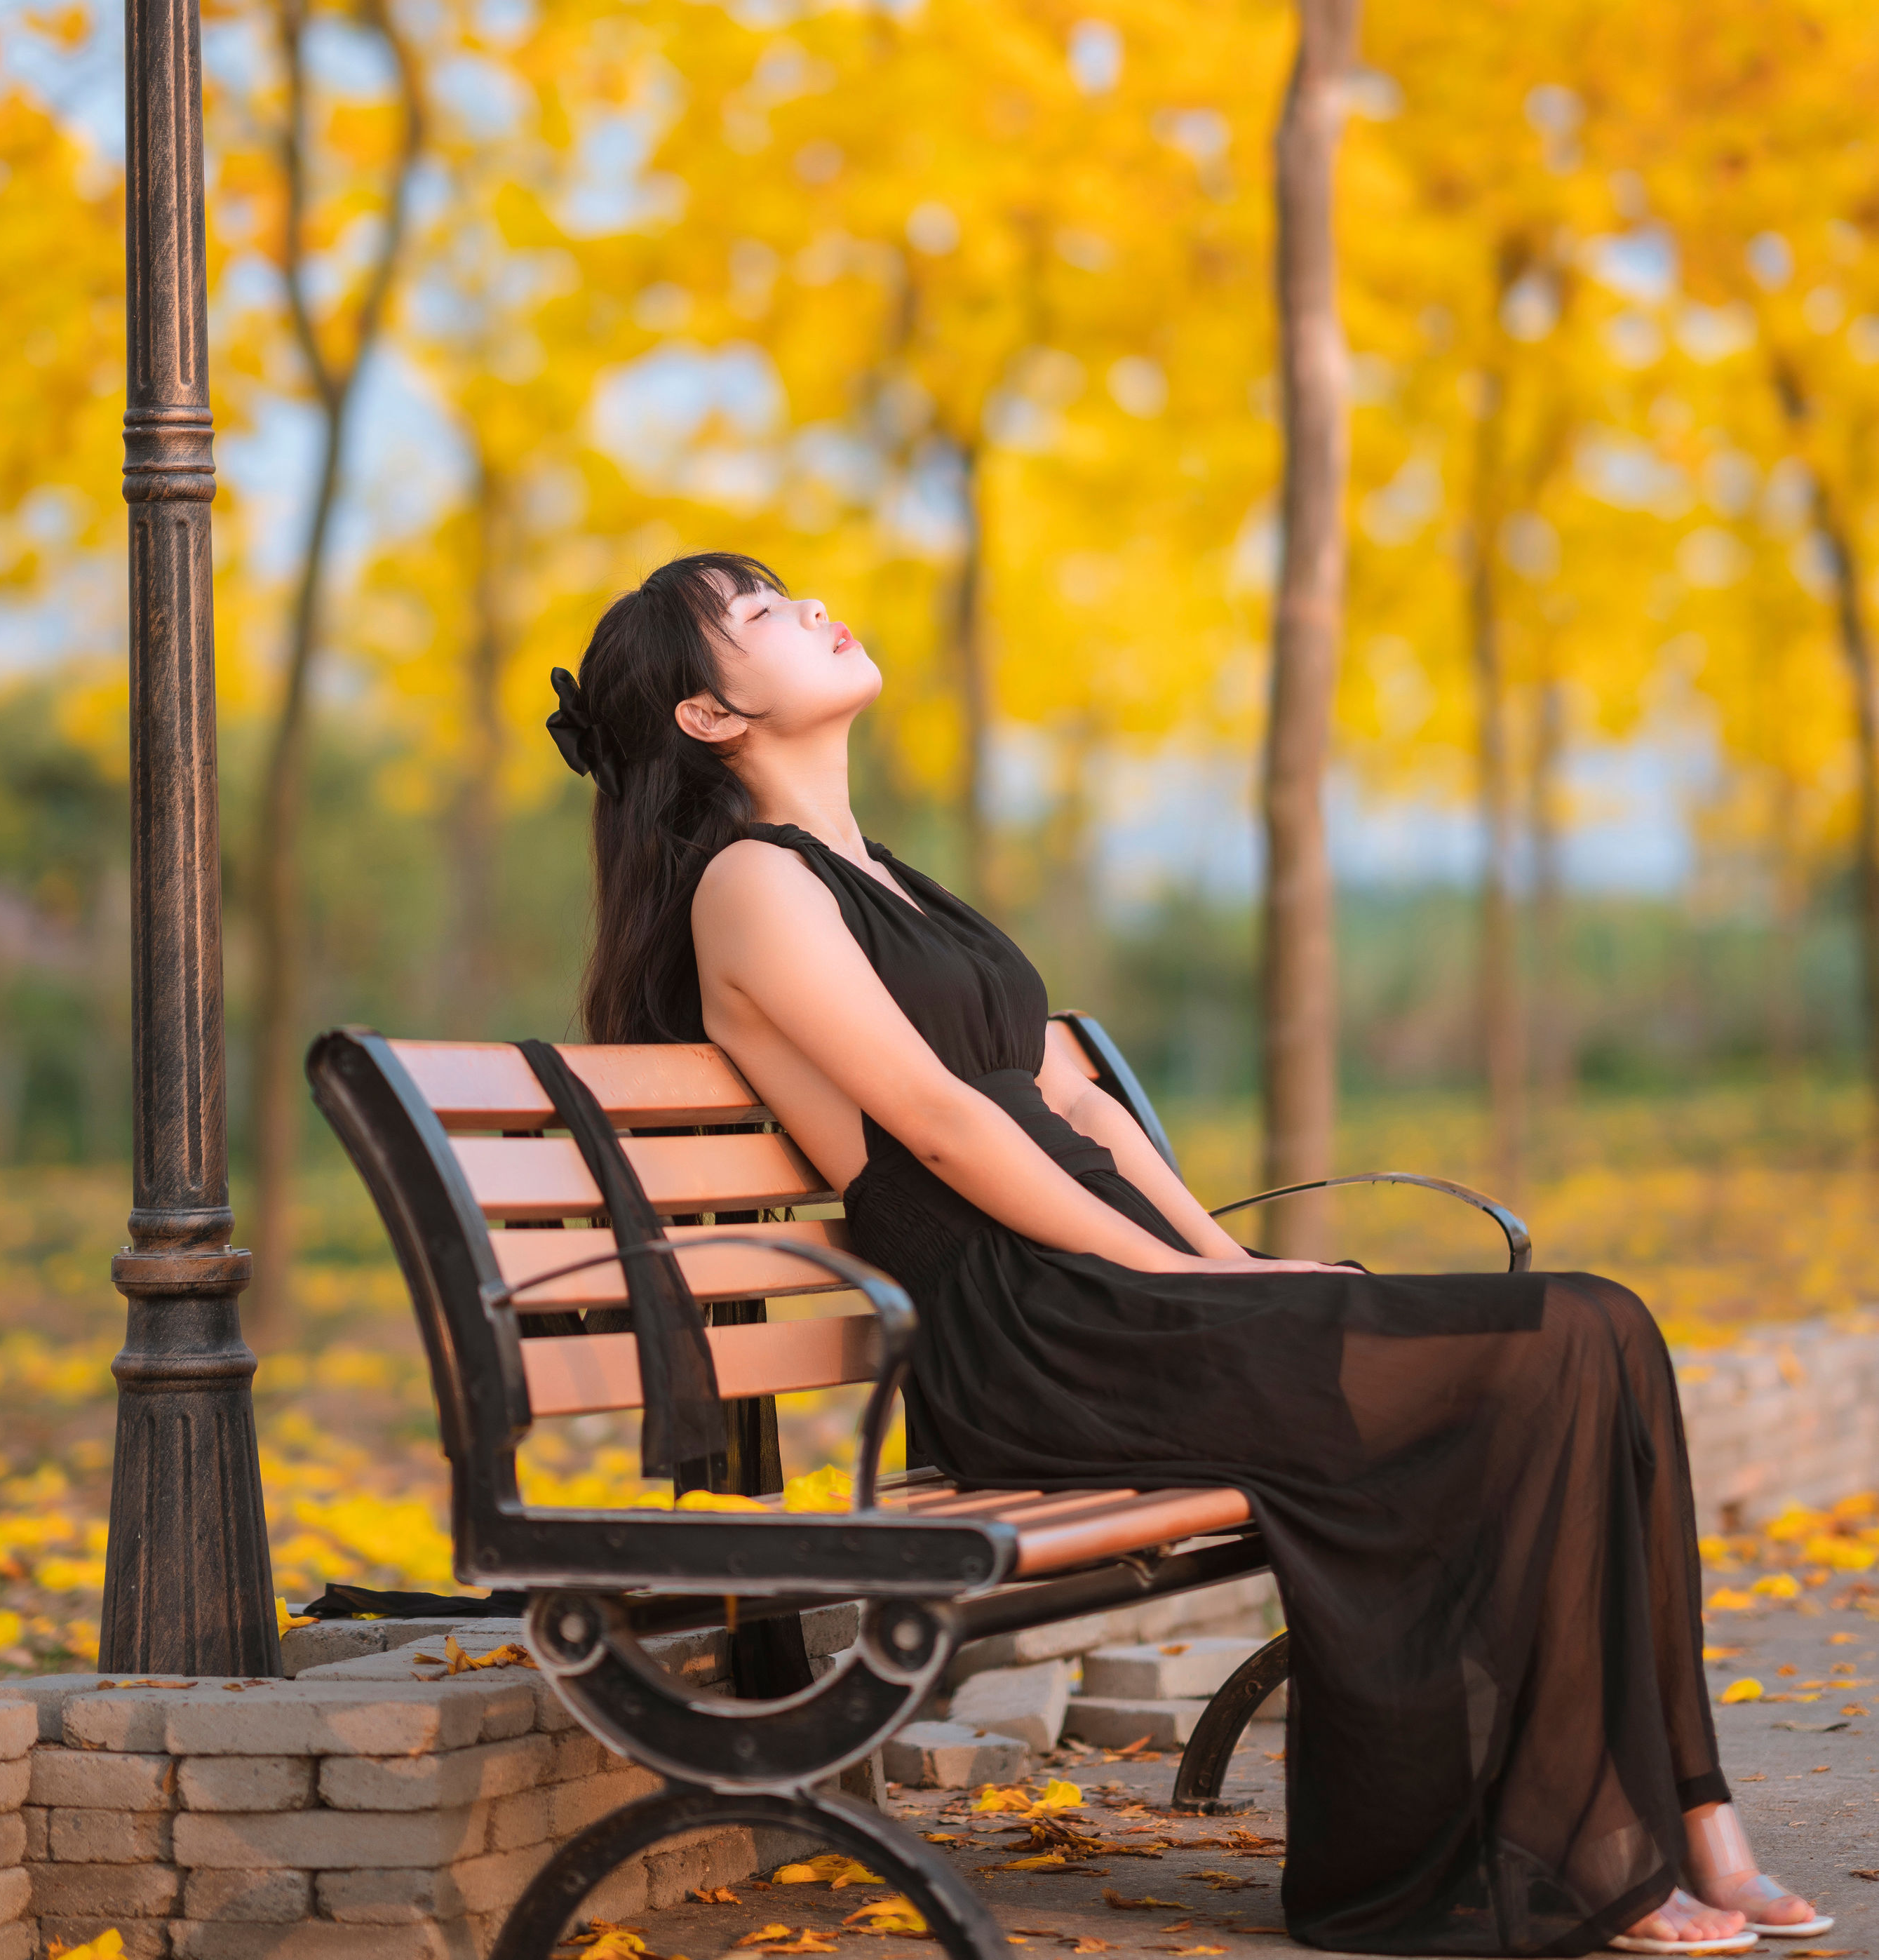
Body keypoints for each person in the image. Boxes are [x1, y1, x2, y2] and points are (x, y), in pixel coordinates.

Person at [545, 552, 1829, 1959]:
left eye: (792, 591)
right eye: (761, 615)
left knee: (1605, 1326)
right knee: (1564, 1340)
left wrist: (1229, 1257)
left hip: (1114, 1289)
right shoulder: (748, 885)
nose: (810, 608)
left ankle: (1691, 1822)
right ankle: (1596, 1856)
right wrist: (1174, 1282)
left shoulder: (879, 874)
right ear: (711, 718)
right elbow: (938, 1125)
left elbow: (1074, 1098)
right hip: (1037, 1332)